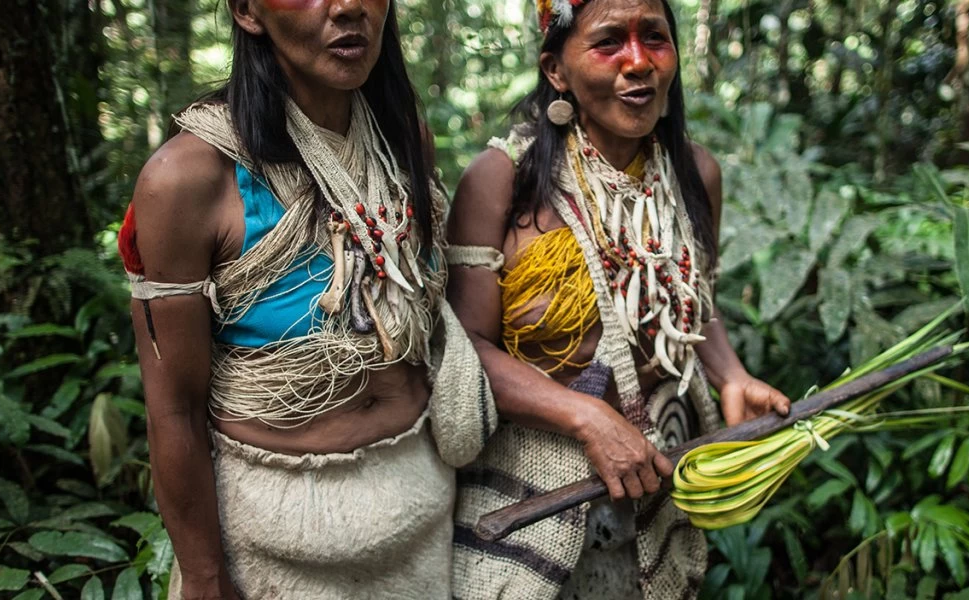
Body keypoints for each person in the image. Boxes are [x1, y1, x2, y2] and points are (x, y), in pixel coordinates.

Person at [118, 1, 495, 598]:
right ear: (247, 11)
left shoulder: (403, 140)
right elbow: (174, 411)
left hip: (421, 529)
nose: (348, 7)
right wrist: (205, 577)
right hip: (273, 544)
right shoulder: (188, 179)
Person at [445, 0, 792, 597]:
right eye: (609, 42)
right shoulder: (501, 179)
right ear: (556, 69)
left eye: (654, 37)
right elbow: (465, 348)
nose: (639, 62)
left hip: (656, 487)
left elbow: (691, 298)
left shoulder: (695, 174)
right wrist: (586, 418)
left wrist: (731, 376)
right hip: (532, 492)